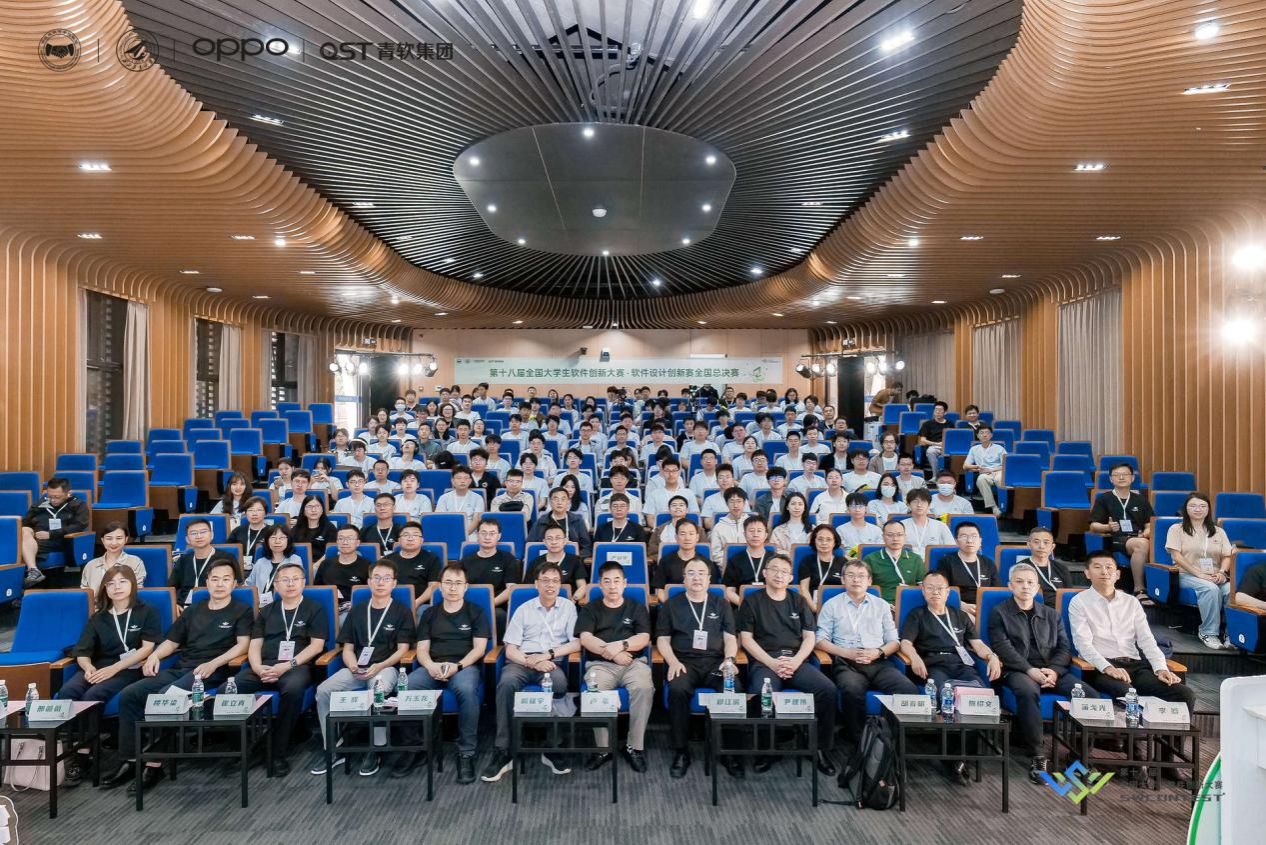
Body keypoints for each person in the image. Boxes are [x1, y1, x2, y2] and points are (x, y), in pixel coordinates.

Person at [103, 559, 251, 793]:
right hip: (182, 667)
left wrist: (214, 663)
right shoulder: (194, 610)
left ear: (234, 584)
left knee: (166, 698)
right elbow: (172, 642)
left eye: (226, 579)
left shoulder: (241, 610)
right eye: (214, 579)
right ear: (206, 582)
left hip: (212, 671)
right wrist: (154, 656)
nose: (220, 584)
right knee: (131, 694)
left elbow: (243, 645)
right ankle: (130, 759)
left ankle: (154, 765)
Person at [990, 563, 1095, 783]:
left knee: (1090, 695)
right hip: (1018, 670)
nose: (1025, 586)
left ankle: (1079, 756)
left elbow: (1065, 648)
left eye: (1030, 582)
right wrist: (1030, 670)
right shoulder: (999, 612)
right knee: (1028, 692)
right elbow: (1003, 648)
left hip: (1051, 669)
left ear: (1038, 587)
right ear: (1010, 586)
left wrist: (1054, 671)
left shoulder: (1051, 614)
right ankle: (1037, 755)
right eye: (1019, 582)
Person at [310, 561, 415, 777]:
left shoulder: (401, 611)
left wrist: (380, 666)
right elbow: (348, 648)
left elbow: (403, 650)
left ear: (394, 583)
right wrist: (352, 665)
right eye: (376, 577)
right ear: (369, 581)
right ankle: (333, 746)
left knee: (377, 688)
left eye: (386, 578)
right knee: (323, 690)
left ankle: (376, 748)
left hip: (386, 667)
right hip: (357, 668)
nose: (381, 582)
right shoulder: (357, 610)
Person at [736, 554, 837, 775]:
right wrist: (772, 663)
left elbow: (809, 637)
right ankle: (766, 750)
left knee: (827, 690)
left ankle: (819, 748)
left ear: (791, 577)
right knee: (763, 694)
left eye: (784, 572)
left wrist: (796, 661)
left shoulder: (798, 600)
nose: (779, 575)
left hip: (796, 660)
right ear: (765, 573)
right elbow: (746, 639)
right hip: (765, 661)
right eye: (774, 569)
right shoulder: (752, 601)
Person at [899, 568, 1001, 784]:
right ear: (923, 591)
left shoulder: (960, 615)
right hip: (933, 665)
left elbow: (977, 644)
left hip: (961, 664)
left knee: (978, 699)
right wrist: (914, 658)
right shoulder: (917, 615)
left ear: (948, 592)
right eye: (930, 588)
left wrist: (992, 656)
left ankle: (960, 757)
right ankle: (952, 758)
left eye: (940, 588)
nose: (935, 592)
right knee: (949, 699)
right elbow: (906, 643)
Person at [482, 562, 579, 782]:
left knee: (560, 684)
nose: (550, 585)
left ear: (560, 584)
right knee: (506, 683)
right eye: (545, 581)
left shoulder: (568, 607)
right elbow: (510, 649)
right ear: (536, 584)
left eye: (555, 581)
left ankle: (551, 746)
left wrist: (547, 655)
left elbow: (576, 643)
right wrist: (532, 662)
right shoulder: (524, 609)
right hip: (522, 661)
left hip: (551, 662)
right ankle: (503, 749)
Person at [232, 560, 328, 776]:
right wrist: (258, 668)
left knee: (292, 691)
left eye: (295, 579)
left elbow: (316, 646)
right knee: (228, 690)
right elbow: (255, 644)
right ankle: (248, 748)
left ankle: (277, 752)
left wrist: (287, 666)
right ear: (275, 585)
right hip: (265, 665)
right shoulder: (266, 611)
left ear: (303, 583)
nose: (290, 584)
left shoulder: (314, 608)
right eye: (285, 580)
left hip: (297, 666)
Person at [395, 564, 489, 783]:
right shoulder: (429, 613)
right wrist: (430, 666)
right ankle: (414, 748)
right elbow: (421, 649)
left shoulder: (476, 612)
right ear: (440, 586)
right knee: (406, 687)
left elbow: (479, 649)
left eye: (458, 583)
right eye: (448, 583)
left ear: (466, 587)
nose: (453, 588)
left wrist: (458, 666)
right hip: (433, 666)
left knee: (466, 690)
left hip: (463, 667)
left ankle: (466, 752)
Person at [1068, 552, 1195, 705]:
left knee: (1185, 694)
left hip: (1136, 666)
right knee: (1127, 694)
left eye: (1109, 567)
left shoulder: (1131, 602)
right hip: (1101, 667)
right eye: (1097, 567)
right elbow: (1083, 645)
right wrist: (1108, 668)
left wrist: (1161, 668)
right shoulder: (1079, 602)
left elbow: (1147, 640)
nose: (1104, 571)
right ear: (1087, 574)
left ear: (1117, 574)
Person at [656, 557, 743, 779]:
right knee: (677, 689)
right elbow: (663, 639)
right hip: (684, 662)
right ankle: (681, 751)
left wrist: (730, 660)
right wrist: (673, 661)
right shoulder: (672, 605)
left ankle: (729, 751)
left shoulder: (721, 604)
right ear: (684, 579)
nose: (697, 578)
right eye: (691, 573)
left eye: (701, 573)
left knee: (733, 688)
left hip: (716, 662)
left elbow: (730, 638)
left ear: (709, 579)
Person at [816, 560, 917, 747]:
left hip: (878, 661)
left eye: (861, 576)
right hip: (846, 662)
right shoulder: (832, 605)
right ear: (843, 580)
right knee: (852, 690)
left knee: (907, 690)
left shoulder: (881, 605)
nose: (856, 580)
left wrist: (878, 652)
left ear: (869, 581)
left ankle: (888, 740)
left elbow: (894, 641)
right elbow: (820, 640)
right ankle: (857, 741)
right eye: (851, 575)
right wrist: (846, 653)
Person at [576, 563, 653, 773]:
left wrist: (622, 646)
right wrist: (612, 653)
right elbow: (586, 638)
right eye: (607, 581)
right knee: (595, 690)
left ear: (624, 583)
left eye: (616, 581)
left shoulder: (636, 607)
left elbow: (644, 637)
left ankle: (634, 747)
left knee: (644, 687)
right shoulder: (590, 608)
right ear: (600, 585)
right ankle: (603, 749)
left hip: (633, 663)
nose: (612, 586)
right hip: (600, 665)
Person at [61, 564, 160, 705]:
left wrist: (114, 668)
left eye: (122, 582)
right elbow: (82, 652)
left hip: (130, 667)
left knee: (93, 695)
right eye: (111, 584)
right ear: (105, 588)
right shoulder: (98, 617)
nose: (117, 587)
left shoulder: (147, 611)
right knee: (67, 692)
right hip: (99, 666)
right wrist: (88, 668)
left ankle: (90, 721)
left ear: (133, 584)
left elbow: (147, 648)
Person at [1165, 492, 1236, 649]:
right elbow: (1176, 556)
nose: (1198, 509)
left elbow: (1227, 556)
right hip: (1185, 574)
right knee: (1210, 589)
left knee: (1231, 591)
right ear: (1186, 508)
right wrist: (1199, 574)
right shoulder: (1176, 529)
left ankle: (1231, 634)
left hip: (1214, 575)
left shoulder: (1219, 531)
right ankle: (1208, 632)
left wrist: (1222, 572)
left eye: (1203, 506)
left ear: (1208, 509)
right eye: (1193, 506)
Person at [1088, 463, 1154, 600]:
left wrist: (1147, 532)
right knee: (1142, 544)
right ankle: (1139, 589)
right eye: (1117, 475)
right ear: (1111, 479)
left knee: (1149, 543)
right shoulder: (1104, 498)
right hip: (1115, 538)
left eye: (1125, 474)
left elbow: (1149, 524)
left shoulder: (1141, 500)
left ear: (1133, 478)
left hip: (1138, 537)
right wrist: (1107, 527)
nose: (1121, 477)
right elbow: (1093, 526)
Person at [20, 477, 90, 586]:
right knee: (24, 530)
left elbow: (79, 526)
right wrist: (37, 509)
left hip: (62, 540)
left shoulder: (78, 505)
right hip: (37, 540)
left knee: (19, 548)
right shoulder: (41, 504)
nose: (53, 500)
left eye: (57, 497)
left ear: (68, 493)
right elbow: (25, 522)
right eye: (50, 496)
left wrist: (51, 534)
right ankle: (33, 570)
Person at [459, 518, 519, 625]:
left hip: (496, 605)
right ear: (477, 535)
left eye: (492, 533)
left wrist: (490, 604)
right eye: (483, 533)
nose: (487, 537)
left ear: (498, 536)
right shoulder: (466, 560)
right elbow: (459, 586)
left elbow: (511, 589)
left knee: (499, 615)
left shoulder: (508, 559)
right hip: (470, 605)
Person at [171, 517, 237, 607]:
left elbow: (236, 586)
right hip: (185, 607)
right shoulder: (183, 560)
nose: (199, 536)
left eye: (203, 532)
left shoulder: (227, 558)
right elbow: (171, 588)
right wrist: (174, 605)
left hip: (215, 605)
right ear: (187, 539)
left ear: (212, 535)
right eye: (193, 533)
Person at [382, 521, 444, 617]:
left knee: (424, 612)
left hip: (421, 604)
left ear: (422, 540)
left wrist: (416, 603)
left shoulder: (432, 559)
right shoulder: (387, 560)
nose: (410, 538)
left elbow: (434, 586)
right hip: (391, 603)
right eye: (406, 535)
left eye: (415, 535)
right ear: (399, 540)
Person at [938, 520, 999, 615]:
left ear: (980, 541)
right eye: (964, 536)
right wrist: (960, 605)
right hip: (958, 609)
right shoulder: (946, 562)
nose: (969, 541)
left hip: (986, 608)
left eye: (974, 536)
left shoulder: (988, 563)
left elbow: (996, 591)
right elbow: (940, 590)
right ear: (956, 541)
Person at [653, 519, 720, 604]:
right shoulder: (666, 561)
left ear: (697, 537)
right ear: (676, 538)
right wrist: (670, 606)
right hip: (672, 605)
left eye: (691, 534)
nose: (687, 538)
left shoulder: (706, 563)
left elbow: (712, 590)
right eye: (683, 534)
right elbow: (659, 590)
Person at [314, 525, 373, 620]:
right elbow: (317, 590)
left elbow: (370, 593)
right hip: (328, 607)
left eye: (349, 539)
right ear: (337, 542)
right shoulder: (326, 564)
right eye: (341, 538)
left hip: (354, 609)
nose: (345, 542)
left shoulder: (368, 566)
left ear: (358, 543)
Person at [862, 519, 927, 603]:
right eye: (890, 535)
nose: (895, 539)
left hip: (909, 603)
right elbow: (864, 588)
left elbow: (923, 587)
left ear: (905, 536)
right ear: (883, 537)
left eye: (899, 535)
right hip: (880, 604)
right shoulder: (870, 559)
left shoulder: (915, 559)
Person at [79, 521, 145, 593]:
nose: (114, 543)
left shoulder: (135, 562)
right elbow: (85, 595)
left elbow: (137, 592)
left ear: (126, 539)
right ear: (102, 540)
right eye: (109, 538)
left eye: (119, 538)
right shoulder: (90, 566)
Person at [527, 487, 592, 558]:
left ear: (568, 502)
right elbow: (530, 545)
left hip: (572, 559)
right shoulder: (541, 522)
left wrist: (575, 557)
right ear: (550, 502)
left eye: (563, 499)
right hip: (546, 559)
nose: (559, 502)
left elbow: (587, 547)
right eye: (556, 499)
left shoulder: (577, 520)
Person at [525, 524, 588, 597]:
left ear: (565, 541)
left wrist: (574, 599)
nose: (554, 542)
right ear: (544, 542)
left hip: (568, 600)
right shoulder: (535, 562)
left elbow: (582, 586)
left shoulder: (575, 560)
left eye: (558, 538)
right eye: (549, 538)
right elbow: (528, 587)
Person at [1016, 526, 1073, 605]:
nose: (1041, 546)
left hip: (1060, 608)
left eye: (1046, 542)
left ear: (1052, 547)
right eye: (1036, 542)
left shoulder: (1062, 568)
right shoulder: (1021, 568)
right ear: (1029, 545)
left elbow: (1069, 595)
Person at [723, 516, 772, 606]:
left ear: (766, 535)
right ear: (745, 534)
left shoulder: (775, 560)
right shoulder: (735, 560)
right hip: (742, 605)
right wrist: (745, 606)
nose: (755, 534)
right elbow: (729, 591)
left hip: (770, 606)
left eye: (759, 531)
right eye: (751, 531)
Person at [963, 425, 1007, 516]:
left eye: (987, 433)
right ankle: (994, 507)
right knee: (981, 479)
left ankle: (1003, 506)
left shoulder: (999, 448)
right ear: (977, 436)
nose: (984, 435)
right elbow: (965, 466)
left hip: (998, 471)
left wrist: (991, 469)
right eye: (982, 433)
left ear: (991, 435)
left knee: (1000, 479)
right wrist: (977, 467)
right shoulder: (974, 449)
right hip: (985, 473)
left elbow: (1006, 465)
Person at [903, 488, 954, 559]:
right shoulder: (901, 526)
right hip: (908, 562)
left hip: (935, 563)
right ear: (908, 505)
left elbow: (951, 549)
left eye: (923, 501)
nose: (919, 505)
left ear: (929, 505)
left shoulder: (941, 526)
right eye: (915, 501)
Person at [435, 465, 485, 536]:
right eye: (459, 478)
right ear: (452, 481)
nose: (462, 481)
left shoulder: (478, 498)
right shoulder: (443, 498)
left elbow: (476, 520)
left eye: (466, 478)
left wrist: (464, 534)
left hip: (471, 533)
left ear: (470, 481)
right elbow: (439, 519)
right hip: (448, 532)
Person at [709, 488, 749, 565]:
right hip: (727, 566)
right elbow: (715, 554)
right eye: (732, 501)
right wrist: (731, 565)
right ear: (726, 504)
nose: (735, 505)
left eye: (739, 501)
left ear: (744, 503)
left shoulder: (752, 524)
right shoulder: (719, 527)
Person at [917, 401, 951, 472]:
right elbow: (922, 440)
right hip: (933, 446)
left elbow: (952, 438)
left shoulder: (950, 424)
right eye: (936, 410)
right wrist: (936, 444)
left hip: (947, 447)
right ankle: (936, 475)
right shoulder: (927, 424)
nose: (938, 412)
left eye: (940, 410)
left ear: (945, 412)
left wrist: (944, 445)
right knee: (930, 451)